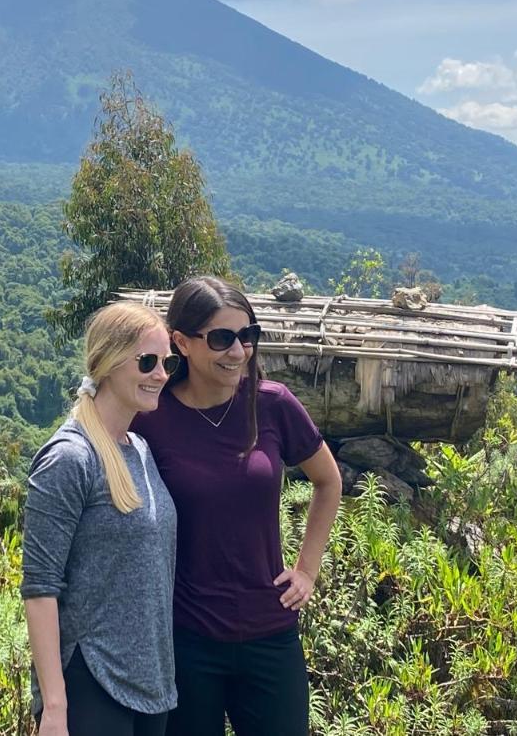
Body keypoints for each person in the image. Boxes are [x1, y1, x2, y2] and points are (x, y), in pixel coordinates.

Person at [133, 276, 342, 736]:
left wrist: (307, 570)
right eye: (222, 338)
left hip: (270, 630)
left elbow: (328, 481)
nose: (238, 351)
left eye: (247, 336)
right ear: (181, 343)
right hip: (187, 637)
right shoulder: (152, 416)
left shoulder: (272, 404)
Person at [21, 301, 181, 736]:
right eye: (147, 362)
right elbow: (39, 589)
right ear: (108, 363)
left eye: (167, 362)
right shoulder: (70, 458)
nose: (161, 375)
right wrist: (54, 707)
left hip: (151, 684)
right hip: (90, 683)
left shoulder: (139, 450)